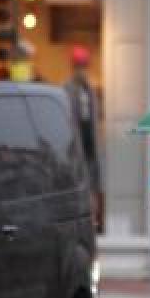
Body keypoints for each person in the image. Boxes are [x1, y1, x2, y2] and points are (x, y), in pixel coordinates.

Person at [63, 44, 102, 229]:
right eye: (78, 66)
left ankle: (91, 221)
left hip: (90, 148)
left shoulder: (90, 89)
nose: (81, 70)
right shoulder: (67, 89)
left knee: (92, 186)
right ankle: (80, 223)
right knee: (77, 186)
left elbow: (94, 120)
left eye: (83, 65)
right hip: (75, 149)